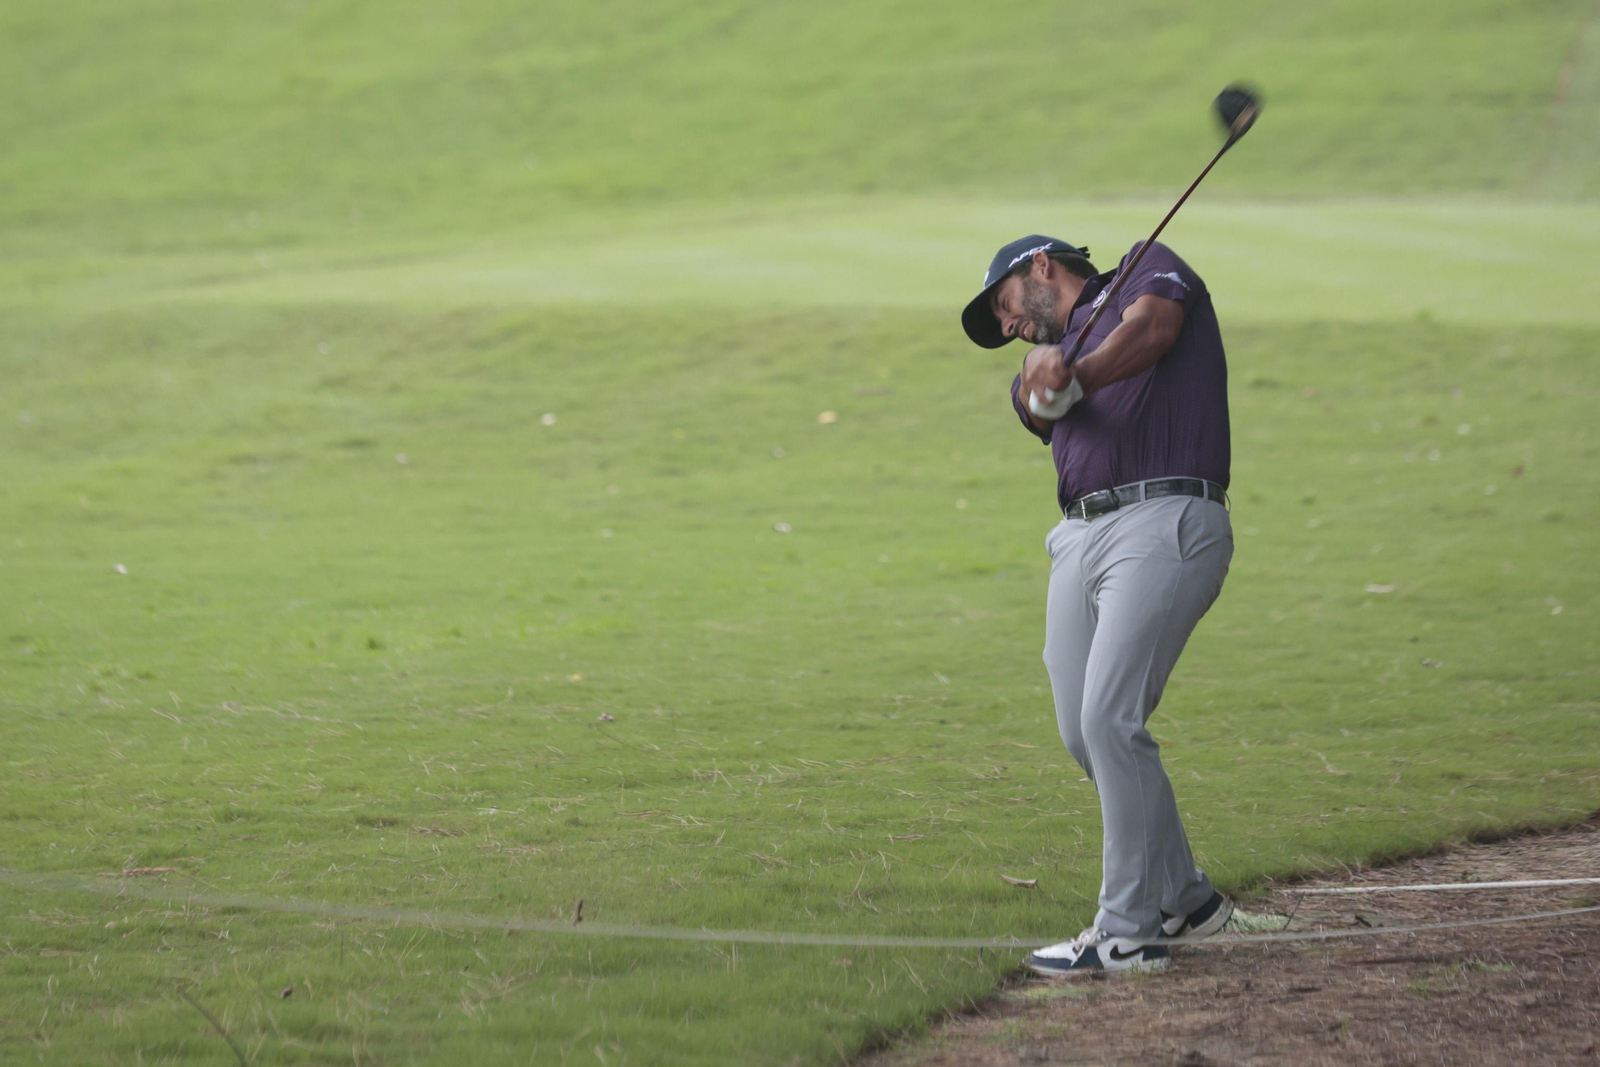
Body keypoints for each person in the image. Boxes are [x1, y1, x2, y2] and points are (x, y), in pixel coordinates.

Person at [961, 235, 1236, 976]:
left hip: (1165, 516)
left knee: (1111, 719)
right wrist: (1042, 377)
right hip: (1078, 537)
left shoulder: (1147, 268)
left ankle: (1127, 932)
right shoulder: (1039, 361)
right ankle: (1188, 900)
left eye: (1006, 305)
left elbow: (1153, 329)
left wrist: (1073, 372)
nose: (1011, 326)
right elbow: (1038, 406)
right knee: (1083, 731)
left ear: (1040, 266)